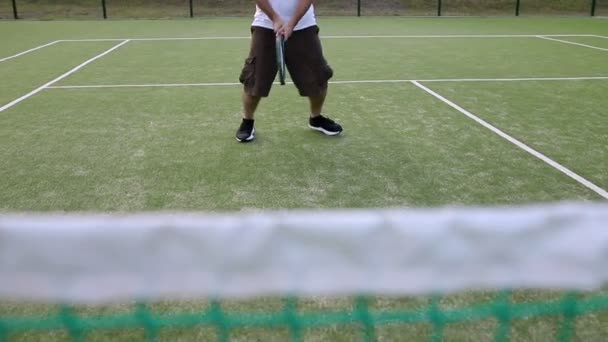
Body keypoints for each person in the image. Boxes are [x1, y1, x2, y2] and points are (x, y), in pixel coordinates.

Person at [235, 0, 343, 142]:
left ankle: (316, 118)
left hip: (304, 25)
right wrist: (275, 18)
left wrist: (292, 23)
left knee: (318, 77)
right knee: (255, 79)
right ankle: (247, 121)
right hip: (265, 25)